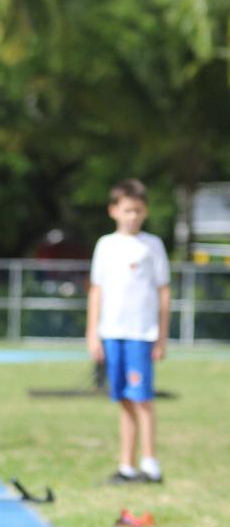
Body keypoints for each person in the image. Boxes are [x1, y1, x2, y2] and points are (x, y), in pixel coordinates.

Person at [86, 178, 171, 483]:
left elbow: (163, 291)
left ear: (145, 211)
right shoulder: (105, 245)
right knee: (122, 399)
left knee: (142, 399)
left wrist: (161, 336)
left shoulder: (153, 246)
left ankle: (150, 462)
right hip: (112, 332)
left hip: (141, 333)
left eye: (137, 211)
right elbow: (96, 290)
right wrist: (92, 332)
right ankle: (126, 465)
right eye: (127, 210)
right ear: (114, 211)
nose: (132, 216)